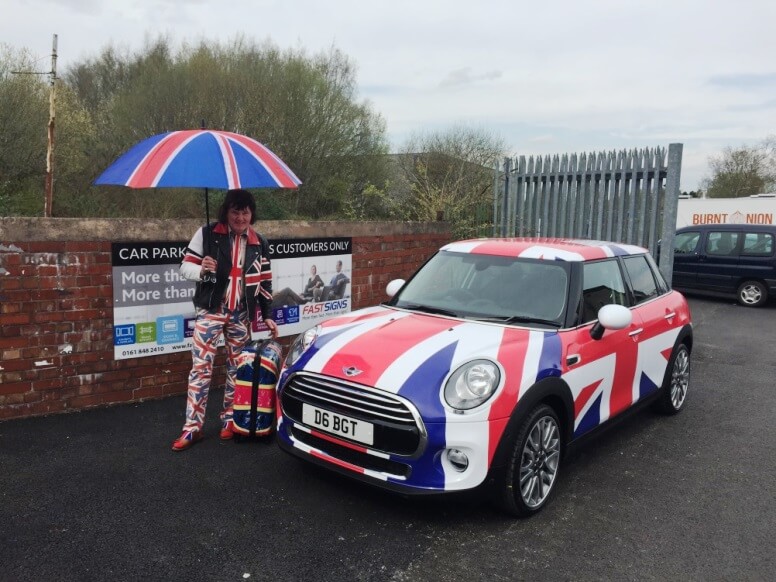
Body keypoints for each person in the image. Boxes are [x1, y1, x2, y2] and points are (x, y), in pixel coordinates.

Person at [172, 188, 278, 451]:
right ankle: (192, 428)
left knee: (237, 369)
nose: (240, 217)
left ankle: (230, 418)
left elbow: (264, 282)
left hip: (241, 314)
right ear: (226, 212)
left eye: (245, 212)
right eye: (235, 211)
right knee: (200, 369)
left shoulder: (259, 242)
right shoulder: (208, 234)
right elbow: (185, 267)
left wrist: (267, 315)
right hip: (211, 310)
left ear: (251, 214)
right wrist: (202, 269)